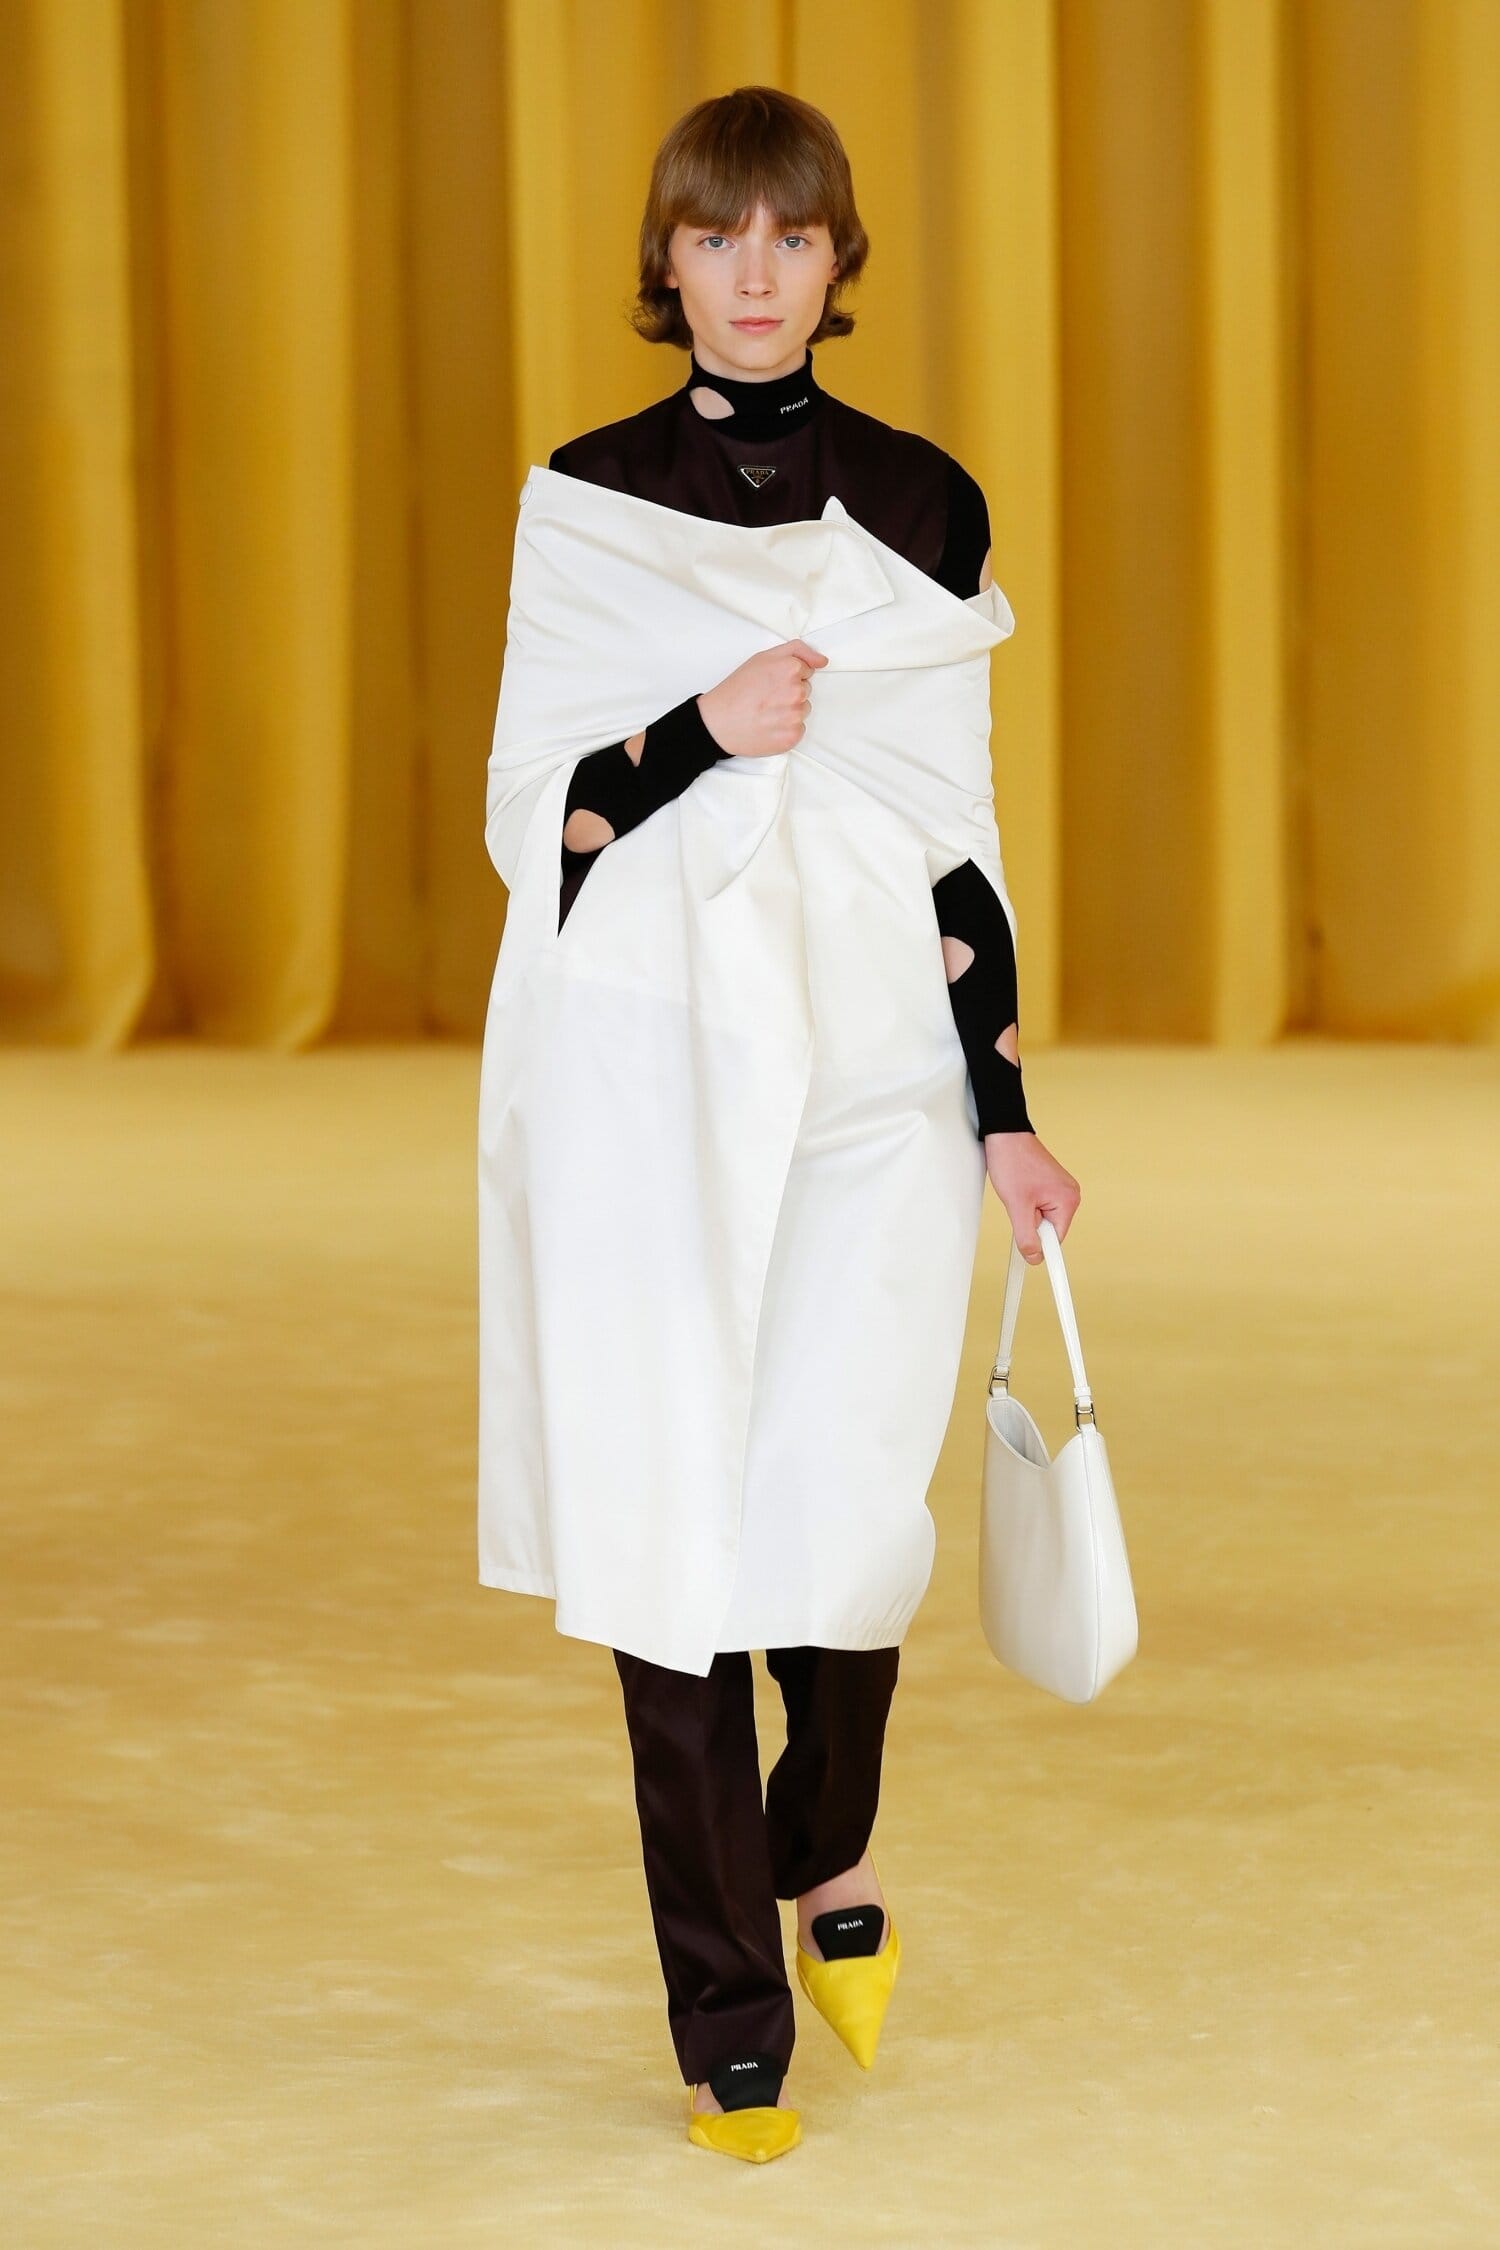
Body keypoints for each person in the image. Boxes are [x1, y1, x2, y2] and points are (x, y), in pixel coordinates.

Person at [480, 85, 1080, 2163]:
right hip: (649, 1073)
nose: (754, 274)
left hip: (876, 1080)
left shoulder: (924, 505)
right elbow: (543, 821)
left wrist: (1006, 1113)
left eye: (792, 237)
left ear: (837, 261)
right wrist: (699, 732)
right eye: (717, 236)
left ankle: (827, 1836)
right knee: (667, 1513)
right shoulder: (587, 504)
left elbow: (953, 842)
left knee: (840, 1499)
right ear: (668, 261)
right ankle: (728, 2004)